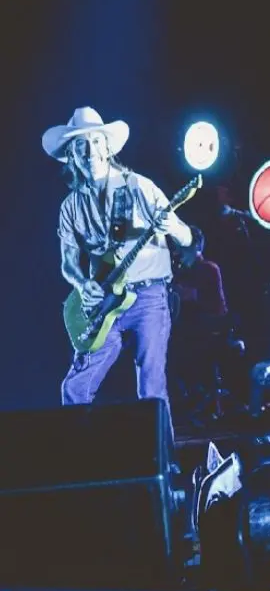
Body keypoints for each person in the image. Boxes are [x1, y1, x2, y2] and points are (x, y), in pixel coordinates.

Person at [45, 106, 193, 439]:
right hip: (105, 303)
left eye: (96, 142)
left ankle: (164, 466)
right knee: (76, 386)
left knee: (151, 384)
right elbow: (68, 262)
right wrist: (83, 285)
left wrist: (173, 227)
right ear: (71, 156)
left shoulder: (138, 187)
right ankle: (79, 462)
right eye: (80, 145)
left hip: (149, 298)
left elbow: (186, 237)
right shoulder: (70, 206)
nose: (89, 151)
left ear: (108, 148)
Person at [170, 226, 233, 422]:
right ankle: (189, 399)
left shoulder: (208, 269)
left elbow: (217, 308)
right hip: (190, 332)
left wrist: (187, 294)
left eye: (182, 246)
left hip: (208, 331)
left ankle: (199, 400)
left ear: (195, 246)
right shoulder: (179, 273)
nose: (178, 252)